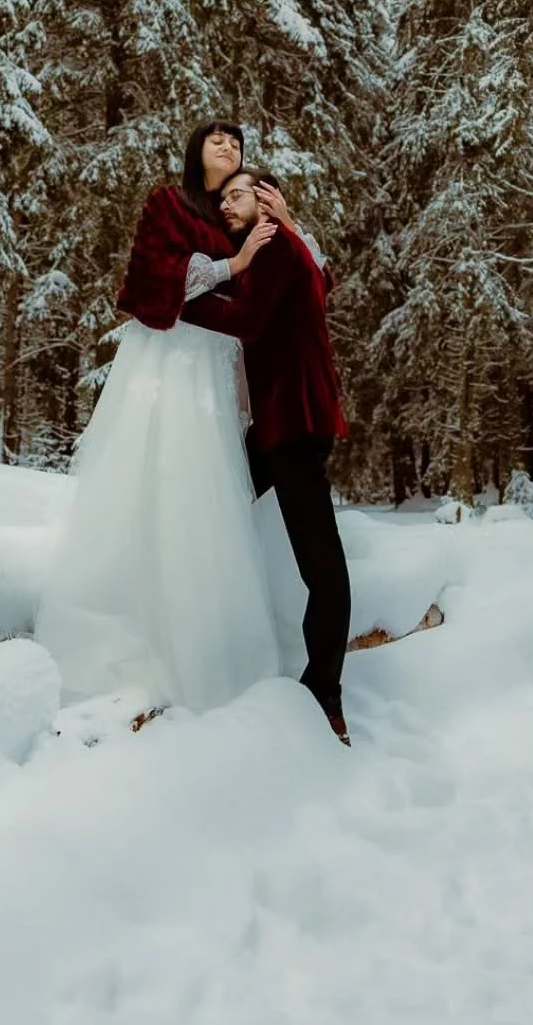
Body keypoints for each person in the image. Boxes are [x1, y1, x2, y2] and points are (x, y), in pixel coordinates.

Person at [33, 122, 282, 713]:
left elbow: (270, 289)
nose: (228, 147)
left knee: (205, 491)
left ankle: (203, 643)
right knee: (149, 473)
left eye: (238, 143)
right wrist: (231, 265)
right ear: (194, 149)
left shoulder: (236, 219)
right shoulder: (166, 203)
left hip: (213, 365)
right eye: (216, 139)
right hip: (164, 359)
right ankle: (124, 634)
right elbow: (152, 274)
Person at [182, 169, 353, 744]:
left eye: (238, 195)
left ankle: (323, 695)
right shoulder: (284, 244)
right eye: (221, 199)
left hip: (294, 425)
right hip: (283, 423)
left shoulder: (278, 247)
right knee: (217, 504)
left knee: (322, 568)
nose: (226, 205)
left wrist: (175, 306)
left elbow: (248, 319)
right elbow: (320, 281)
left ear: (266, 200)